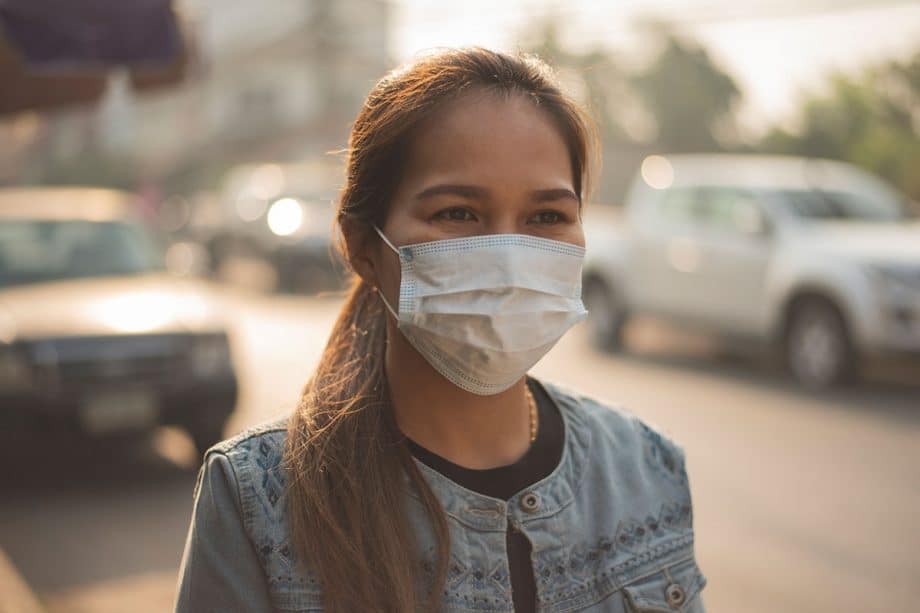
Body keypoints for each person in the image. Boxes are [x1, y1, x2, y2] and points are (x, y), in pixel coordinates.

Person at [175, 47, 706, 613]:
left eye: (547, 216)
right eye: (458, 212)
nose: (508, 257)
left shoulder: (648, 468)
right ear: (362, 247)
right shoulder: (259, 500)